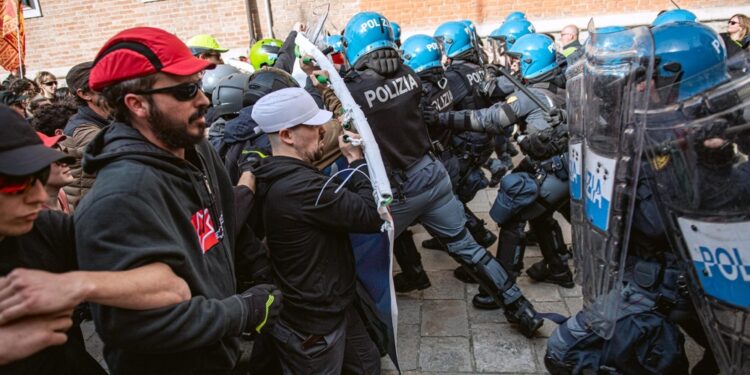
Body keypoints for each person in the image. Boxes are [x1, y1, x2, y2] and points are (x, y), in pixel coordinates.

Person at [73, 26, 282, 374]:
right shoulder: (120, 199)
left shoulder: (195, 147)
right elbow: (134, 327)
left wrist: (258, 268)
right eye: (185, 90)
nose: (203, 99)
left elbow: (220, 221)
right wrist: (241, 312)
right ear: (137, 104)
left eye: (198, 84)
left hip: (219, 356)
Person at [341, 11, 542, 337]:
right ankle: (520, 308)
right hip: (434, 176)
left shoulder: (351, 91)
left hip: (400, 191)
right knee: (468, 248)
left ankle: (368, 338)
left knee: (356, 255)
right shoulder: (409, 73)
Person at [0, 105, 192, 374]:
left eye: (39, 176)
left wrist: (76, 284)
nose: (37, 196)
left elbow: (171, 288)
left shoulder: (45, 228)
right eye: (15, 184)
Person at [428, 33, 574, 308]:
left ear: (534, 61)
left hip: (552, 170)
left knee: (513, 218)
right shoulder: (561, 83)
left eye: (519, 61)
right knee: (541, 216)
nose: (515, 66)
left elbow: (487, 119)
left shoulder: (529, 97)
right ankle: (559, 270)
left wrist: (441, 118)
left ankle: (500, 289)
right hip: (564, 168)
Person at [252, 87, 382, 374]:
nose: (323, 131)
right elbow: (372, 215)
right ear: (287, 135)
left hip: (334, 305)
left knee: (367, 363)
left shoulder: (281, 174)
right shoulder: (302, 188)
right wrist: (356, 160)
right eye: (313, 127)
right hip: (315, 321)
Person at [60, 62, 110, 211]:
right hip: (91, 212)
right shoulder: (82, 129)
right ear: (85, 94)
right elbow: (118, 158)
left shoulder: (105, 119)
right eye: (104, 85)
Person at [35, 132, 75, 213]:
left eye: (62, 152)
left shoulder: (61, 194)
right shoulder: (33, 215)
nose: (65, 163)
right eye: (55, 158)